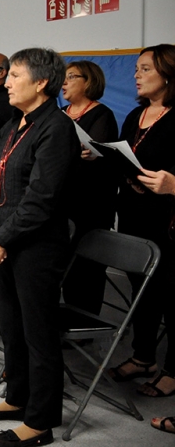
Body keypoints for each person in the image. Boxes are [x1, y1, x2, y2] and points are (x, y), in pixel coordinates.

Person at [0, 48, 79, 447]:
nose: (7, 82)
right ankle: (18, 397)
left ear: (40, 82)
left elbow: (41, 199)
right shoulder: (14, 125)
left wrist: (0, 238)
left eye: (15, 75)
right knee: (12, 326)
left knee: (39, 333)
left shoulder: (56, 128)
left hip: (35, 246)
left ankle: (41, 420)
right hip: (1, 240)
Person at [107, 44, 175, 399]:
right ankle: (144, 356)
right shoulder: (136, 116)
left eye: (145, 69)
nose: (136, 75)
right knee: (142, 291)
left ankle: (172, 371)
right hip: (135, 215)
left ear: (168, 74)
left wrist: (174, 184)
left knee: (170, 296)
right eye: (135, 69)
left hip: (169, 221)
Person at [60, 61, 118, 315]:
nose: (64, 82)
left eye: (71, 76)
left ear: (89, 81)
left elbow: (102, 159)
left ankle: (84, 320)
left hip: (90, 204)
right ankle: (64, 315)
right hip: (62, 201)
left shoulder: (101, 114)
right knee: (63, 264)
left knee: (86, 267)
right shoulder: (60, 114)